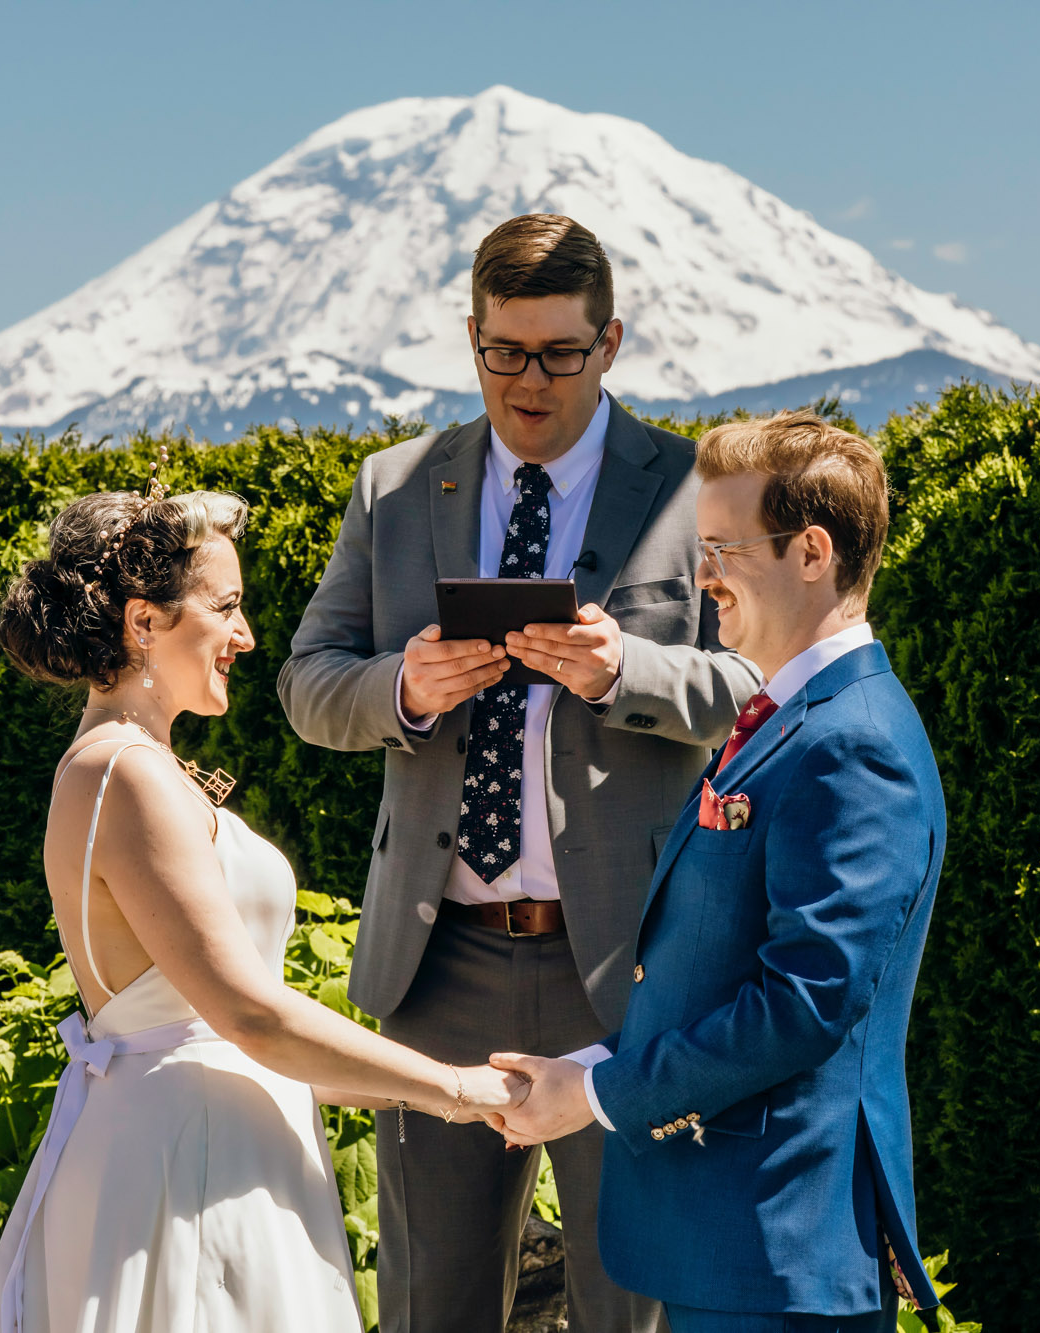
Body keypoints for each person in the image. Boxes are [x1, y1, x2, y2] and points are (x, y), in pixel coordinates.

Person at [278, 213, 761, 1333]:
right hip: (437, 964)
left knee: (630, 1308)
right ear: (471, 337)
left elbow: (760, 687)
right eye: (504, 351)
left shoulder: (696, 489)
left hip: (631, 970)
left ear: (611, 344)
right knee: (428, 1309)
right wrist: (403, 687)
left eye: (558, 353)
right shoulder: (394, 487)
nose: (527, 380)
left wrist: (623, 671)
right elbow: (307, 683)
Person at [0, 474, 531, 1333]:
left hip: (218, 1145)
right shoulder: (125, 774)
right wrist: (457, 1087)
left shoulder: (133, 768)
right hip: (186, 1166)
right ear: (144, 621)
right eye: (225, 607)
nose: (246, 634)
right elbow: (252, 1015)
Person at [491, 411, 950, 1333]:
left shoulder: (853, 743)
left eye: (722, 548)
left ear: (811, 551)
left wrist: (594, 1094)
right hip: (730, 1234)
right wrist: (589, 1064)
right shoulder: (794, 714)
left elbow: (804, 1003)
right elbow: (711, 959)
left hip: (777, 1243)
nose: (703, 577)